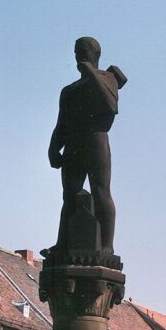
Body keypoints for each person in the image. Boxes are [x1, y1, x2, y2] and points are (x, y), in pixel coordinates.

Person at [47, 37, 126, 255]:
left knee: (101, 192)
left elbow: (110, 106)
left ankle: (107, 246)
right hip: (73, 143)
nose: (79, 55)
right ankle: (63, 244)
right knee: (70, 195)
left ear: (95, 54)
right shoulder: (69, 91)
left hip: (96, 140)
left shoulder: (108, 79)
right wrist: (54, 148)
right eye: (76, 51)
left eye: (83, 51)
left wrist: (91, 72)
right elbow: (61, 123)